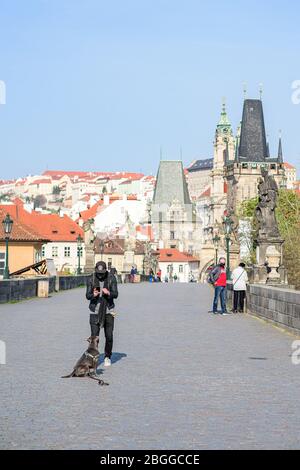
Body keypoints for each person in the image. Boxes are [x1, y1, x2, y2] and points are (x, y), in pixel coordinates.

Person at [86, 261, 118, 367]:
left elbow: (116, 294)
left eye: (102, 273)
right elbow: (87, 295)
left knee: (109, 336)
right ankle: (93, 358)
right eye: (98, 273)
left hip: (109, 310)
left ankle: (107, 356)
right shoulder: (91, 278)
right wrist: (93, 295)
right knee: (94, 337)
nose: (100, 275)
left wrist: (108, 293)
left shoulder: (111, 278)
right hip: (94, 310)